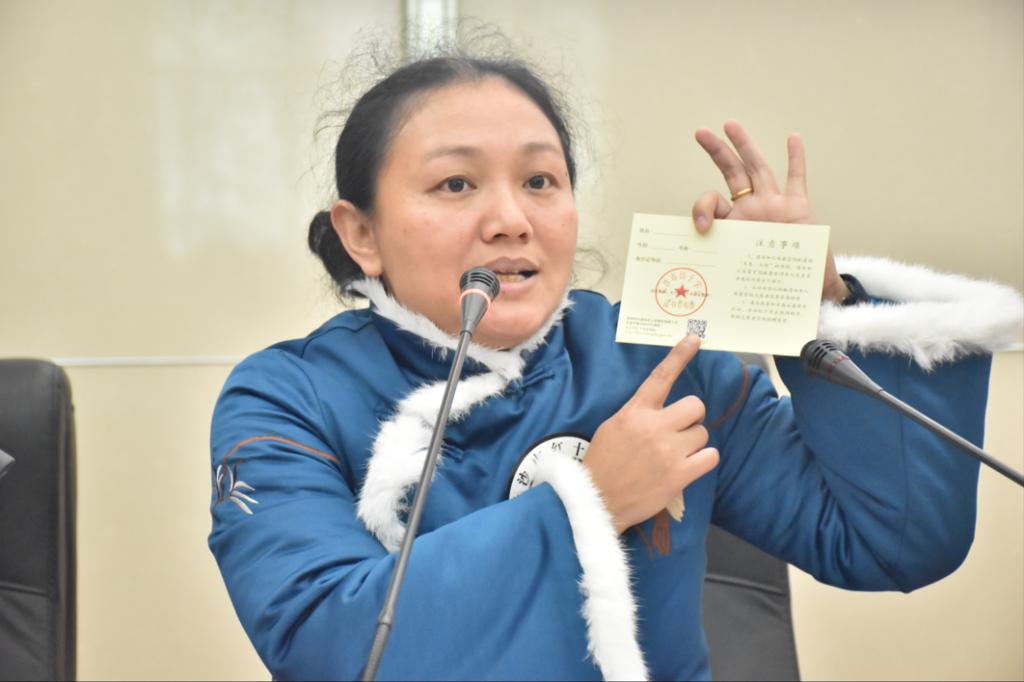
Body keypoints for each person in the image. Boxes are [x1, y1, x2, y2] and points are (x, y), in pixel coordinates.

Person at [207, 52, 1022, 681]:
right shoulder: (287, 398)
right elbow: (330, 649)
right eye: (455, 184)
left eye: (540, 180)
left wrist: (820, 300)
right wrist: (588, 502)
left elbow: (895, 542)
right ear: (361, 233)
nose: (510, 219)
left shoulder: (656, 357)